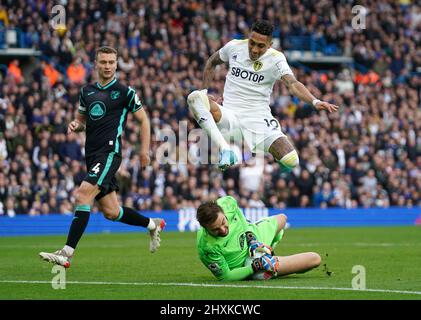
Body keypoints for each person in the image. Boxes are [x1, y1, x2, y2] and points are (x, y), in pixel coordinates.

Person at [40, 46, 165, 268]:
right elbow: (82, 121)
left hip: (109, 153)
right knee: (111, 212)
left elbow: (144, 120)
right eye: (103, 62)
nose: (107, 66)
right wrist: (76, 125)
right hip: (92, 155)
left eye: (111, 62)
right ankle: (152, 225)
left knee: (82, 195)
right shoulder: (86, 91)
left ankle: (66, 253)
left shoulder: (125, 92)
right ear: (96, 64)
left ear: (116, 64)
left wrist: (144, 151)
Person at [187, 20, 339, 171]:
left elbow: (292, 84)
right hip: (229, 117)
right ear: (248, 37)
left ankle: (270, 157)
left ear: (270, 45)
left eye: (260, 46)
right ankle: (226, 151)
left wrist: (314, 101)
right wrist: (205, 92)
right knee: (195, 97)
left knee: (291, 160)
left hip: (258, 119)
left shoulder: (276, 59)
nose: (254, 49)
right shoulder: (234, 47)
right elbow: (212, 62)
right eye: (251, 43)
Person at [196, 196, 321, 281]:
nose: (223, 230)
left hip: (253, 241)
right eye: (215, 230)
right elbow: (226, 277)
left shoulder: (227, 203)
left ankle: (265, 248)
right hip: (249, 265)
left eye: (224, 222)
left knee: (282, 219)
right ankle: (268, 263)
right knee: (315, 259)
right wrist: (255, 265)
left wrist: (251, 237)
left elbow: (240, 215)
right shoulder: (207, 247)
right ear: (205, 228)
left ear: (222, 211)